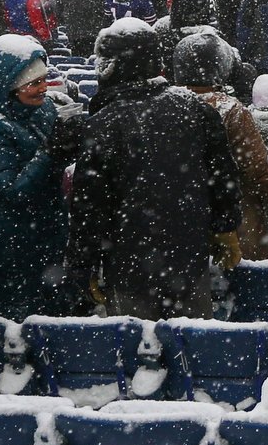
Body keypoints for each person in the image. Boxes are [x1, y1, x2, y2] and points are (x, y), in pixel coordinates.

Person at [65, 19, 241, 318]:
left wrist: (85, 263)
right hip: (188, 257)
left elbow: (90, 206)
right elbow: (223, 178)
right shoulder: (196, 110)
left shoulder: (103, 124)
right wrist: (225, 228)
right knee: (192, 350)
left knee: (137, 351)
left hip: (128, 264)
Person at [0, 34, 81, 317]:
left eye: (43, 78)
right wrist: (52, 151)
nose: (43, 88)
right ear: (7, 86)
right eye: (33, 83)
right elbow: (14, 192)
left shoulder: (42, 111)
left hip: (48, 233)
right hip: (11, 245)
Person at [173, 29, 268, 263]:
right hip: (234, 221)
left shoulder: (166, 106)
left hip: (179, 221)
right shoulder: (231, 110)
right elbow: (256, 167)